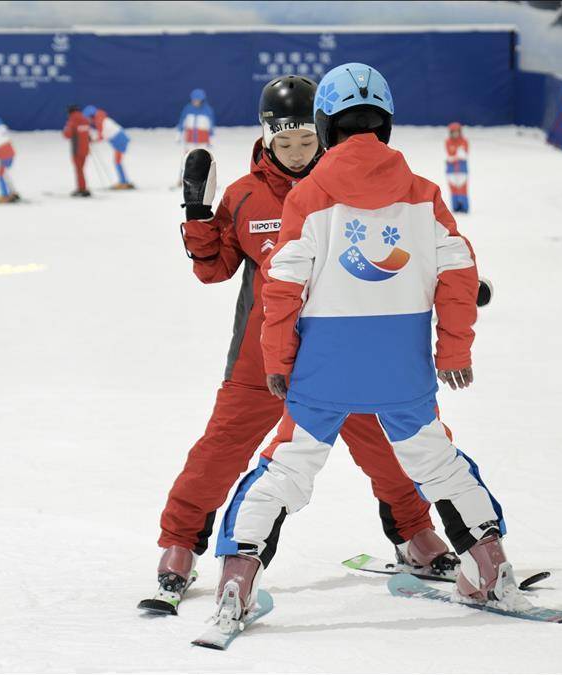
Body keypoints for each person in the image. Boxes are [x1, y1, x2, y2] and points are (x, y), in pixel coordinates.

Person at [210, 62, 523, 632]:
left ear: (325, 126)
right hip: (402, 371)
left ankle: (238, 577)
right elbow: (458, 272)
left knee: (287, 470)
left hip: (323, 370)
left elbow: (281, 286)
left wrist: (280, 361)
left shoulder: (309, 195)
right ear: (387, 124)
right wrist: (453, 351)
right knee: (440, 465)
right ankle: (490, 565)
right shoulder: (424, 195)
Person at [153, 75, 459, 614]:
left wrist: (454, 282)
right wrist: (198, 219)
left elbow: (401, 249)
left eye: (306, 142)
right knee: (219, 452)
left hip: (340, 355)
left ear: (323, 133)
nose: (296, 154)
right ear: (266, 138)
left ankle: (413, 533)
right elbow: (216, 270)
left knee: (387, 452)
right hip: (259, 359)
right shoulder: (244, 196)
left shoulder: (350, 189)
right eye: (284, 143)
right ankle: (179, 544)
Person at [83, 104, 134, 189]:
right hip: (120, 139)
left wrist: (91, 140)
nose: (88, 120)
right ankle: (123, 181)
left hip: (119, 140)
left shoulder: (99, 121)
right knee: (117, 161)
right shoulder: (101, 119)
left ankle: (124, 182)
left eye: (87, 118)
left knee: (117, 161)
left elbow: (101, 136)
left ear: (91, 116)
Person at [176, 88, 216, 187]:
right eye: (194, 100)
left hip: (202, 141)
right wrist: (179, 134)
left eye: (198, 100)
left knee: (203, 161)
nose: (196, 102)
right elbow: (182, 121)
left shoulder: (208, 111)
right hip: (190, 140)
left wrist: (211, 139)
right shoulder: (187, 109)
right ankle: (182, 180)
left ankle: (205, 182)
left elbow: (211, 126)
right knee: (186, 160)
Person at [62, 104, 92, 197]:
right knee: (81, 169)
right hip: (85, 150)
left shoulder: (72, 121)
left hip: (76, 150)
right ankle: (82, 187)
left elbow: (67, 135)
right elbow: (88, 135)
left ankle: (82, 189)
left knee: (79, 170)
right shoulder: (85, 120)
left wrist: (65, 129)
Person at [445, 122, 470, 213]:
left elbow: (464, 155)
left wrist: (455, 157)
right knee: (453, 188)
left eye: (457, 132)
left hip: (462, 169)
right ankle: (455, 207)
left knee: (463, 188)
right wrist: (457, 156)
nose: (455, 134)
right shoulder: (448, 141)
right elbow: (450, 155)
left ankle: (464, 207)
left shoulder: (464, 141)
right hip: (451, 170)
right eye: (453, 132)